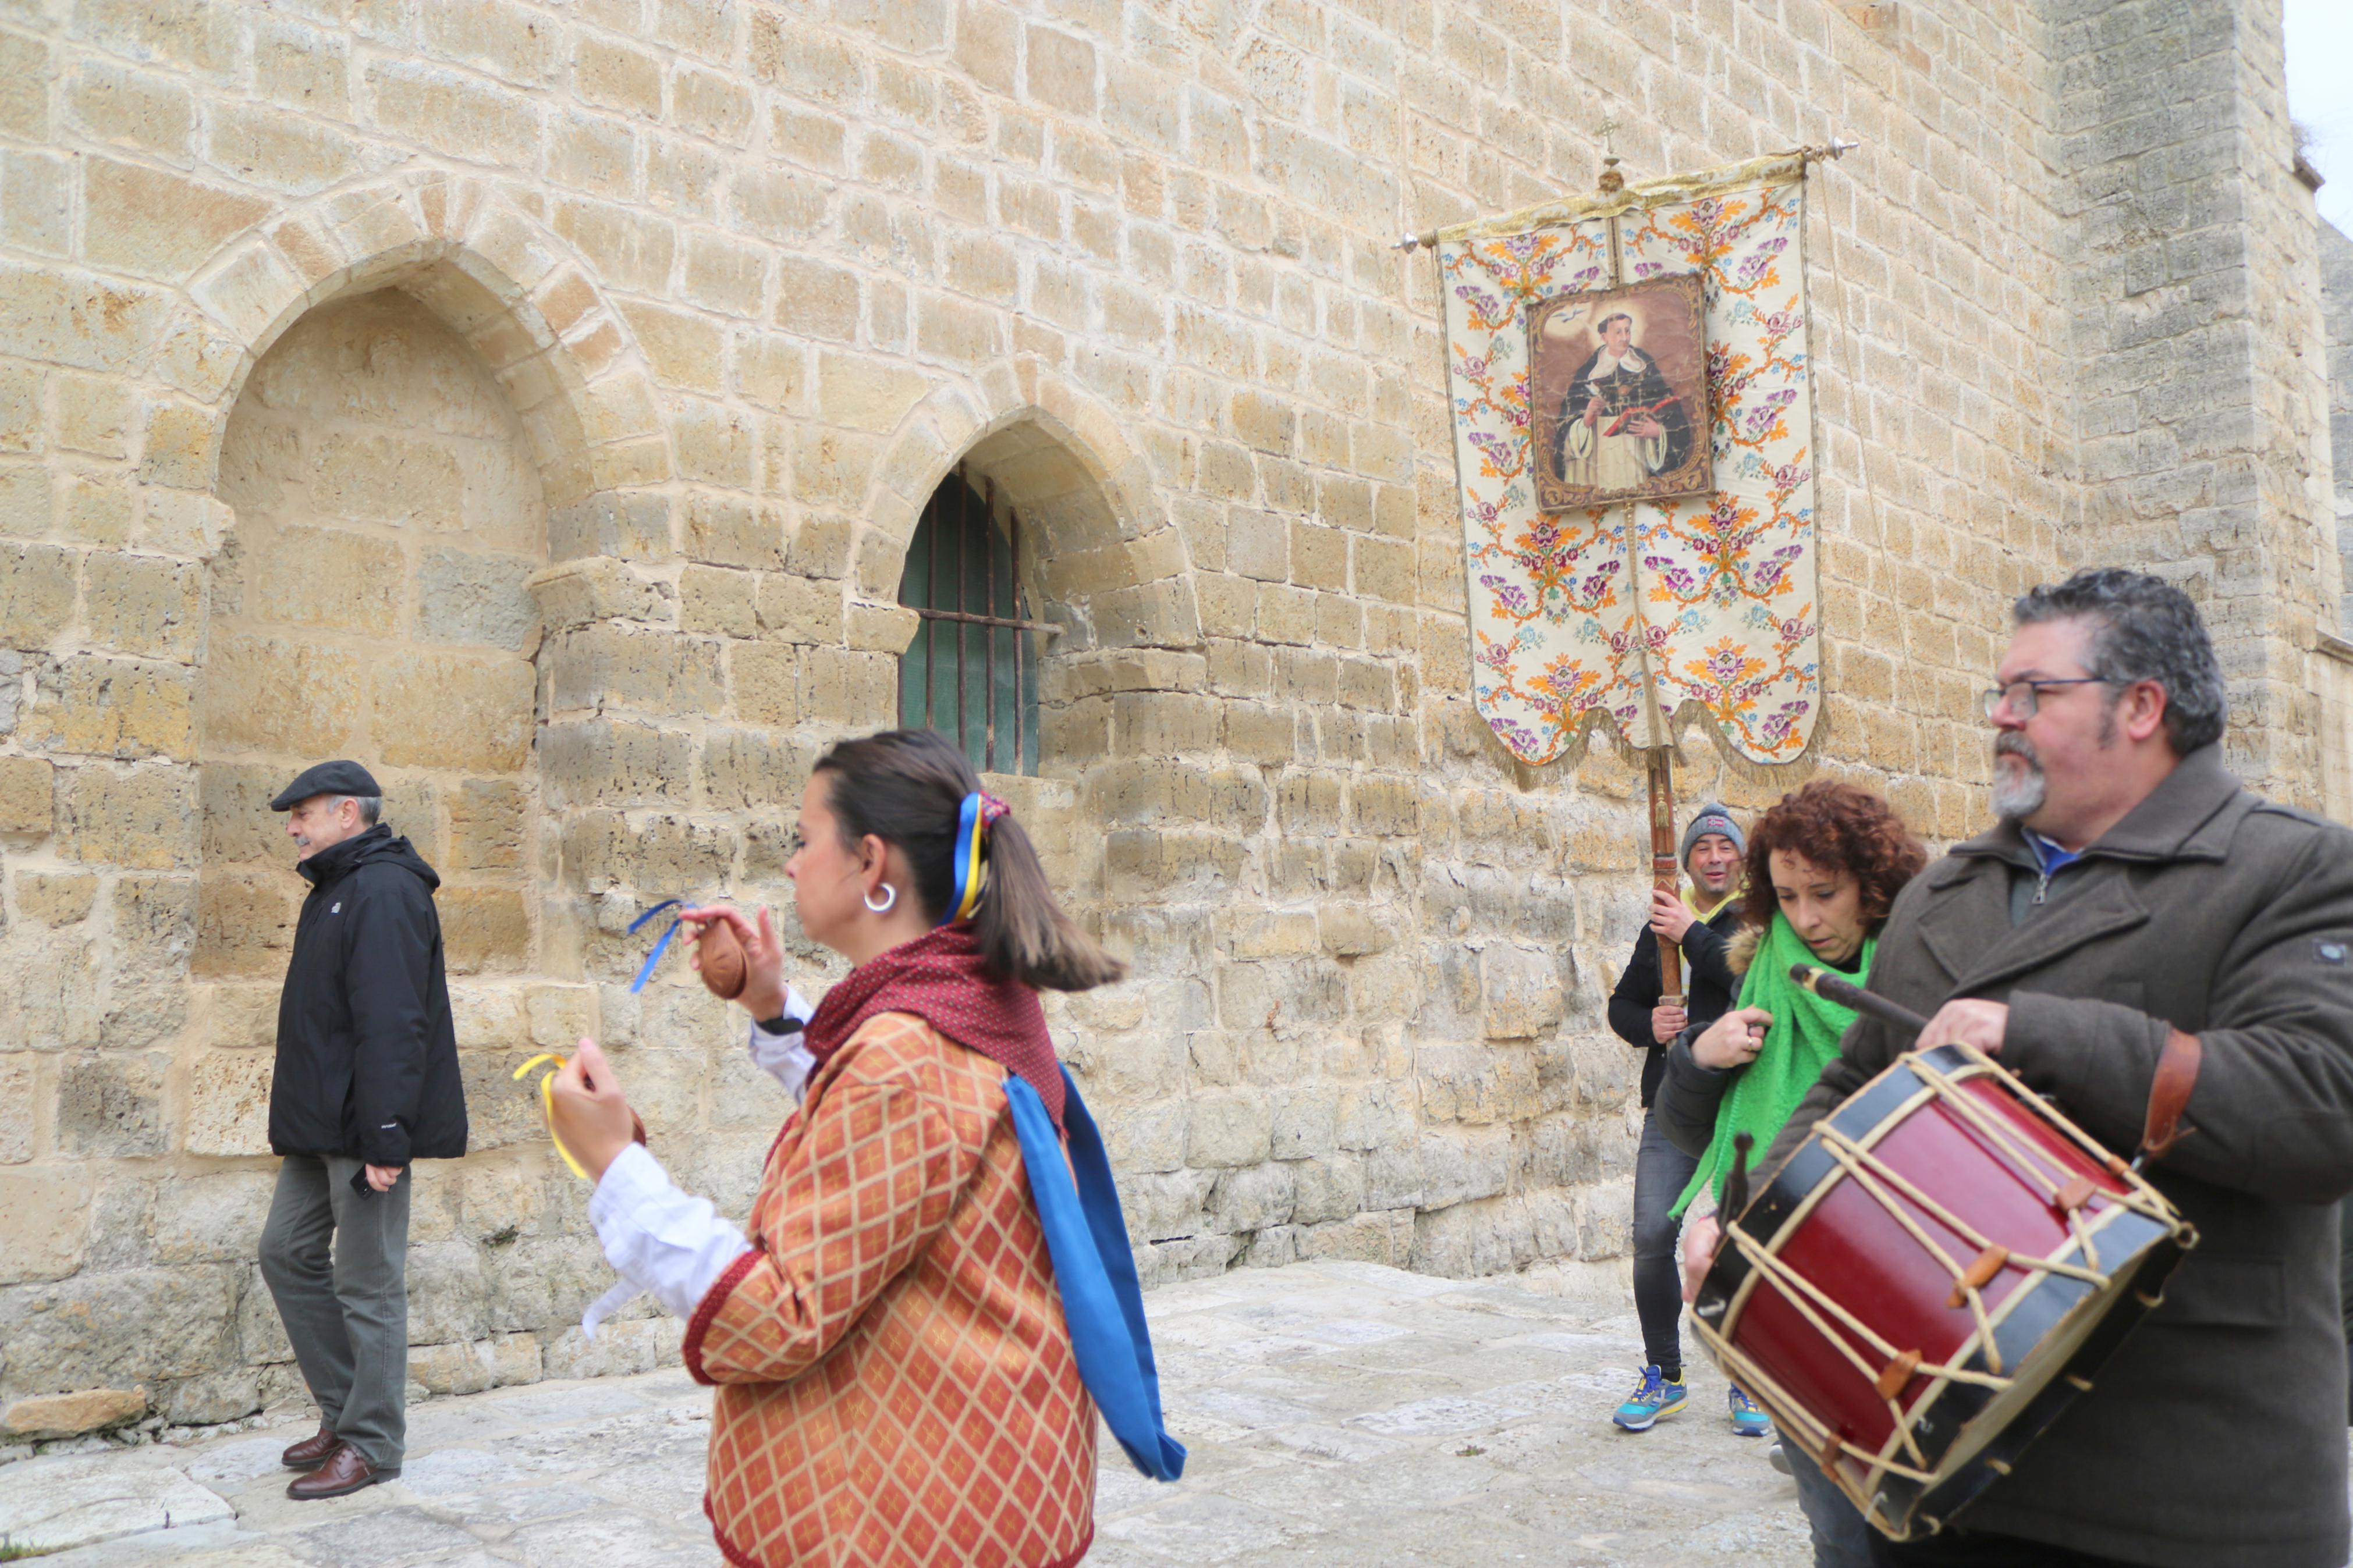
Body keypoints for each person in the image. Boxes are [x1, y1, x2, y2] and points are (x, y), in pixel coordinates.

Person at [1734, 569, 2353, 1567]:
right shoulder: (1943, 892)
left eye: (2033, 694)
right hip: (1930, 1471)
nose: (2000, 718)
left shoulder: (2290, 868)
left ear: (2140, 707)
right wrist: (1759, 1217)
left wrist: (2037, 1035)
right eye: (1998, 695)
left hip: (2180, 1488)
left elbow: (2321, 1107)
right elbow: (1856, 1083)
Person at [545, 729, 1182, 1568]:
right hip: (986, 1467)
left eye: (804, 839)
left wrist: (616, 1166)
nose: (790, 865)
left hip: (902, 1514)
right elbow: (894, 1150)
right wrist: (772, 1006)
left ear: (871, 862)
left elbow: (778, 1313)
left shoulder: (905, 1051)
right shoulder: (965, 1000)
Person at [1660, 779, 1925, 1568]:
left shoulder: (1924, 964)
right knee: (1836, 1525)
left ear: (1872, 886)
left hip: (1901, 1251)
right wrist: (1698, 1057)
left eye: (1824, 892)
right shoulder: (1760, 961)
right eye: (1784, 895)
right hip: (1777, 1239)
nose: (1805, 918)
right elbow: (1683, 1126)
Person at [257, 759, 467, 1500]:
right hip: (323, 1123)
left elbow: (393, 1023)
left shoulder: (382, 890)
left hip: (365, 1126)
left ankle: (373, 1443)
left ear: (349, 813)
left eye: (304, 813)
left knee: (367, 1281)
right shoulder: (337, 890)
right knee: (284, 1252)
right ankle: (347, 1413)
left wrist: (387, 1138)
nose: (293, 826)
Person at [1604, 803, 1747, 1432]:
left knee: (1745, 1242)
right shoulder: (1660, 928)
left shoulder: (1761, 921)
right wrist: (1649, 1025)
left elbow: (1747, 984)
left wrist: (1690, 930)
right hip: (1673, 1101)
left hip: (1744, 1100)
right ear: (1686, 860)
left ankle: (1752, 1382)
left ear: (1740, 859)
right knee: (1652, 1236)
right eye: (1702, 848)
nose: (1714, 857)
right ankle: (1663, 1373)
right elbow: (1622, 1006)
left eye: (1725, 847)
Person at [1554, 309, 1694, 489]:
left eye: (1627, 331)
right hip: (1597, 458)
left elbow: (1670, 410)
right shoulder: (1587, 373)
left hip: (1638, 454)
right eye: (1618, 332)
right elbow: (1564, 426)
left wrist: (1659, 432)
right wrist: (1585, 422)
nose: (1624, 337)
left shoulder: (1645, 367)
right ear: (1604, 337)